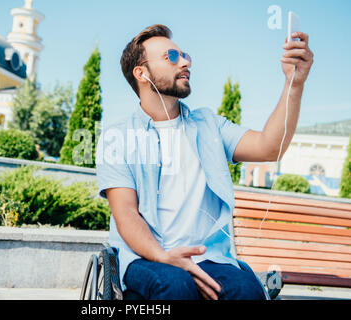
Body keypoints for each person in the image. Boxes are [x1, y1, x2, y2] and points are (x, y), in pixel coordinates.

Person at [95, 24, 313, 300]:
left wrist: (294, 83)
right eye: (171, 57)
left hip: (209, 257)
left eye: (184, 55)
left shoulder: (210, 125)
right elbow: (126, 214)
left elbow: (270, 147)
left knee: (246, 291)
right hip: (144, 256)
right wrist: (164, 257)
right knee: (174, 286)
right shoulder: (117, 137)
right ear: (142, 73)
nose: (185, 61)